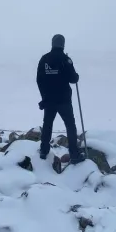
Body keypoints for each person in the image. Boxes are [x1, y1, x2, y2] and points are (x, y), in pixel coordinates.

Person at [37, 34, 84, 164]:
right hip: (64, 100)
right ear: (63, 44)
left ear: (52, 43)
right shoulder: (65, 59)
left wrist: (44, 97)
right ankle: (74, 154)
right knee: (70, 126)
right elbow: (73, 79)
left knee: (47, 124)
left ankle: (43, 151)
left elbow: (39, 80)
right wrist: (76, 76)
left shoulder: (44, 59)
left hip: (49, 100)